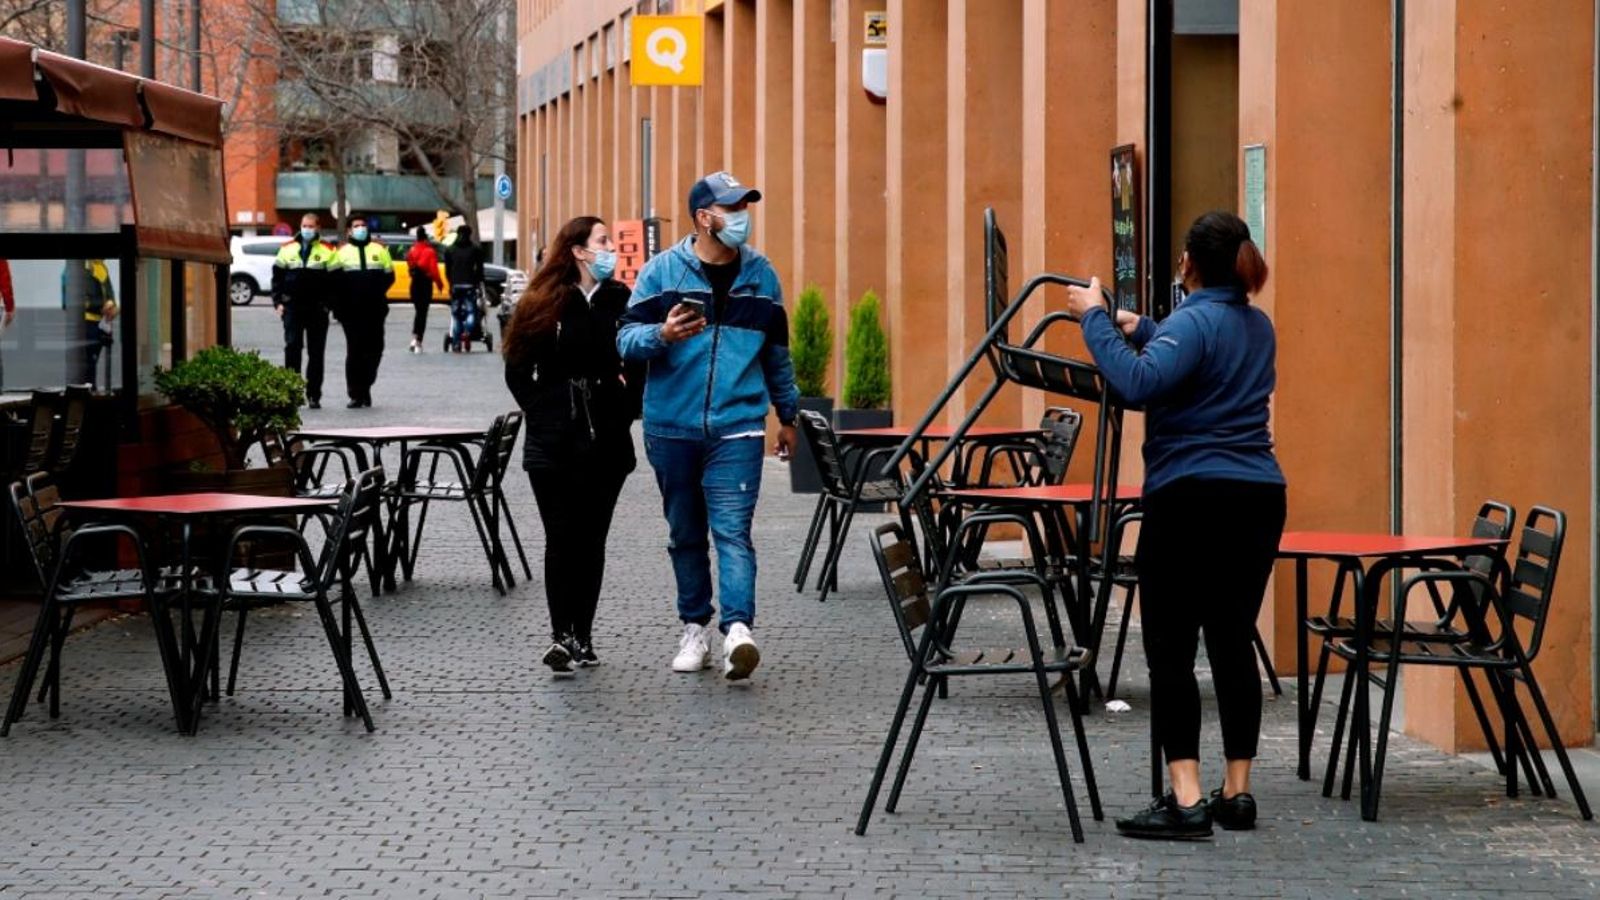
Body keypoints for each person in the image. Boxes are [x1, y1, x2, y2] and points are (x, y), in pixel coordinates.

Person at [1064, 210, 1287, 841]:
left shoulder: (1193, 322)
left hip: (1190, 497)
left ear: (1188, 263)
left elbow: (1137, 381)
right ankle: (1236, 792)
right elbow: (1204, 352)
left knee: (1170, 647)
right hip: (1258, 497)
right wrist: (1148, 327)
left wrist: (1096, 319)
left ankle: (1186, 798)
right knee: (1232, 640)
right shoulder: (1257, 324)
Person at [617, 170, 798, 682]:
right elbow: (625, 341)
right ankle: (694, 626)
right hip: (670, 426)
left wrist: (788, 416)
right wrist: (663, 333)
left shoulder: (762, 276)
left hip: (738, 426)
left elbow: (777, 357)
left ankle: (738, 630)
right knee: (686, 533)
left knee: (733, 533)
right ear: (704, 217)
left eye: (744, 207)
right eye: (732, 208)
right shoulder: (660, 273)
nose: (741, 218)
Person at [503, 215, 642, 676]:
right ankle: (560, 635)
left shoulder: (622, 300)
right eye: (602, 242)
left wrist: (626, 406)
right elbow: (517, 370)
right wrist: (544, 411)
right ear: (579, 251)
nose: (610, 250)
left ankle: (584, 634)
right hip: (553, 442)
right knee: (561, 538)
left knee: (592, 539)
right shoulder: (544, 301)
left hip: (606, 437)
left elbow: (638, 359)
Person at [272, 213, 337, 408]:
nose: (307, 229)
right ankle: (291, 393)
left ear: (318, 228)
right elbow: (277, 279)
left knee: (316, 353)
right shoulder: (286, 249)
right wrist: (278, 302)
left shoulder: (328, 250)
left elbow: (336, 282)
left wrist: (328, 305)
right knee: (292, 349)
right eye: (304, 225)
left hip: (317, 310)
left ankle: (314, 395)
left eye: (311, 226)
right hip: (292, 308)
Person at [330, 214, 394, 408]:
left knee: (376, 350)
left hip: (375, 310)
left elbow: (389, 276)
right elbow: (334, 284)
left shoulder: (380, 250)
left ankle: (366, 385)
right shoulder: (341, 253)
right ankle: (356, 393)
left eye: (363, 225)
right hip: (351, 313)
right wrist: (339, 307)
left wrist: (375, 293)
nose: (361, 229)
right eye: (356, 226)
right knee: (355, 351)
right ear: (349, 230)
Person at [62, 259, 116, 388]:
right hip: (86, 322)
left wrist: (111, 305)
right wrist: (102, 306)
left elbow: (109, 293)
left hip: (100, 322)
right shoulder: (78, 267)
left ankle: (91, 389)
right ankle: (88, 391)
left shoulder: (100, 266)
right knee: (87, 363)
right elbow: (76, 300)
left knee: (92, 362)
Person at [443, 225, 485, 352]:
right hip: (470, 284)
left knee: (456, 315)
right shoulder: (475, 250)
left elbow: (447, 270)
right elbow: (479, 269)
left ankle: (456, 343)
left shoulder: (450, 250)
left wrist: (451, 282)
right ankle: (467, 331)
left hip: (456, 284)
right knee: (471, 311)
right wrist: (478, 281)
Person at [405, 226, 443, 353]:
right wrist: (439, 284)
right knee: (423, 313)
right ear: (425, 239)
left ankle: (415, 338)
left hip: (415, 284)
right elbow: (434, 271)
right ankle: (418, 340)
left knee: (418, 312)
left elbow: (410, 267)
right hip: (425, 285)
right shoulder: (429, 251)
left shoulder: (411, 250)